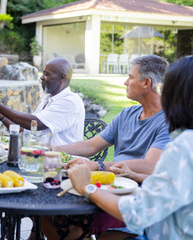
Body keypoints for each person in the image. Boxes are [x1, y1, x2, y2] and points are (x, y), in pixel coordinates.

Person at [42, 55, 170, 239]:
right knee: (48, 210)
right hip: (109, 185)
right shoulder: (127, 113)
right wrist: (53, 149)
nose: (125, 82)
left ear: (146, 83)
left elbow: (149, 165)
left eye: (130, 77)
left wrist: (98, 166)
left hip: (135, 193)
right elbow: (91, 145)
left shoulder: (168, 121)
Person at [68, 56, 193, 239]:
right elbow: (174, 186)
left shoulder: (183, 145)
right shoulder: (183, 139)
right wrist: (136, 175)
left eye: (166, 87)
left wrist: (87, 187)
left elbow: (139, 213)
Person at [0, 57, 85, 146]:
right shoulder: (47, 100)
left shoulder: (70, 102)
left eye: (47, 74)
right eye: (43, 73)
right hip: (40, 158)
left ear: (62, 77)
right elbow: (25, 130)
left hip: (63, 164)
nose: (41, 77)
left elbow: (36, 124)